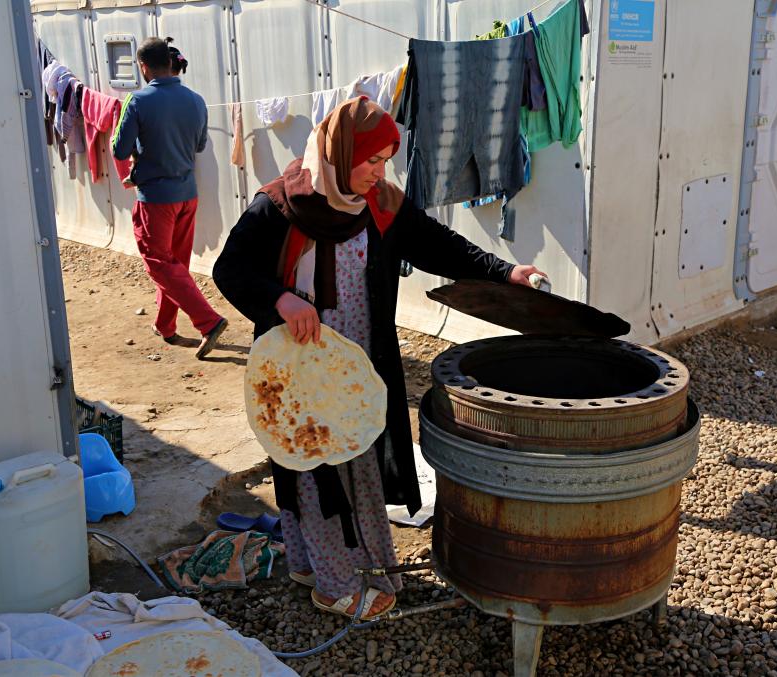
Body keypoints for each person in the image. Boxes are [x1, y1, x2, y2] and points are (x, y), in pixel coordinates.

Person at [213, 97, 546, 619]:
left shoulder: (380, 203)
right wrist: (279, 300)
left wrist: (505, 272)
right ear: (339, 152)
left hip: (362, 365)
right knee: (312, 464)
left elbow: (440, 244)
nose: (379, 171)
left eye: (386, 159)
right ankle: (332, 583)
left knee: (359, 458)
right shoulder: (280, 205)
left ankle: (348, 563)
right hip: (299, 371)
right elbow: (230, 269)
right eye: (370, 159)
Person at [112, 37, 227, 359]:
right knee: (174, 263)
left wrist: (139, 156)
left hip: (155, 198)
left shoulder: (137, 101)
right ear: (171, 62)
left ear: (143, 66)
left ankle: (209, 321)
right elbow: (200, 145)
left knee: (159, 263)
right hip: (188, 194)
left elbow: (120, 149)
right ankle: (165, 325)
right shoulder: (196, 100)